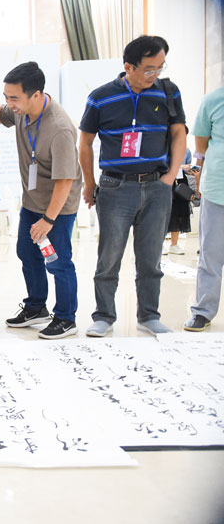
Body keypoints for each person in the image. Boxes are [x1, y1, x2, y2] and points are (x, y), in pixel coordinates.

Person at [79, 35, 186, 337]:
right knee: (109, 257)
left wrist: (170, 177)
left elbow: (178, 134)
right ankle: (104, 316)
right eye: (150, 68)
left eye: (160, 67)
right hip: (115, 187)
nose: (156, 74)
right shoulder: (101, 97)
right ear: (129, 67)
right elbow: (85, 143)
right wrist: (90, 183)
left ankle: (149, 315)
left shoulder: (168, 92)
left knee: (151, 258)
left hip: (156, 186)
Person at [0, 62, 83, 339]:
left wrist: (48, 220)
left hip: (58, 208)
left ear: (36, 95)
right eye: (7, 96)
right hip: (32, 202)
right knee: (27, 252)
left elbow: (65, 181)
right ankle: (36, 307)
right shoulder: (22, 112)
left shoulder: (59, 128)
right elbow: (0, 117)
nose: (10, 104)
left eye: (14, 98)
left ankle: (66, 318)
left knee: (57, 260)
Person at [184, 86, 224, 332]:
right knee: (210, 255)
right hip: (217, 190)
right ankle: (202, 311)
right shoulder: (213, 101)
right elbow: (201, 144)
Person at [163, 147, 193, 255]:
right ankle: (160, 244)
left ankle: (174, 244)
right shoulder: (163, 147)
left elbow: (187, 168)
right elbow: (162, 165)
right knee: (164, 212)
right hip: (166, 180)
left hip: (180, 182)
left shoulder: (186, 150)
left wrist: (190, 170)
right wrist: (181, 166)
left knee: (179, 212)